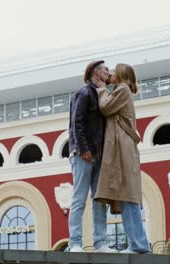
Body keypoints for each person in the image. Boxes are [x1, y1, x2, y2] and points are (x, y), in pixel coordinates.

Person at [92, 63, 150, 254]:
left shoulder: (122, 90)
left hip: (123, 149)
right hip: (121, 149)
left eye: (115, 71)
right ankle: (137, 244)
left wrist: (101, 89)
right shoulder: (119, 91)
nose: (112, 74)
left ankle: (139, 245)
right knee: (126, 196)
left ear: (122, 75)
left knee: (129, 196)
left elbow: (106, 108)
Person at [67, 60, 117, 253]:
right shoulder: (84, 93)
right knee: (79, 198)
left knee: (99, 199)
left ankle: (100, 243)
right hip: (83, 154)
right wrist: (83, 148)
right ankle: (75, 243)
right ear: (96, 73)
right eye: (106, 69)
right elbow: (76, 122)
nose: (109, 72)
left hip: (98, 155)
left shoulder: (100, 94)